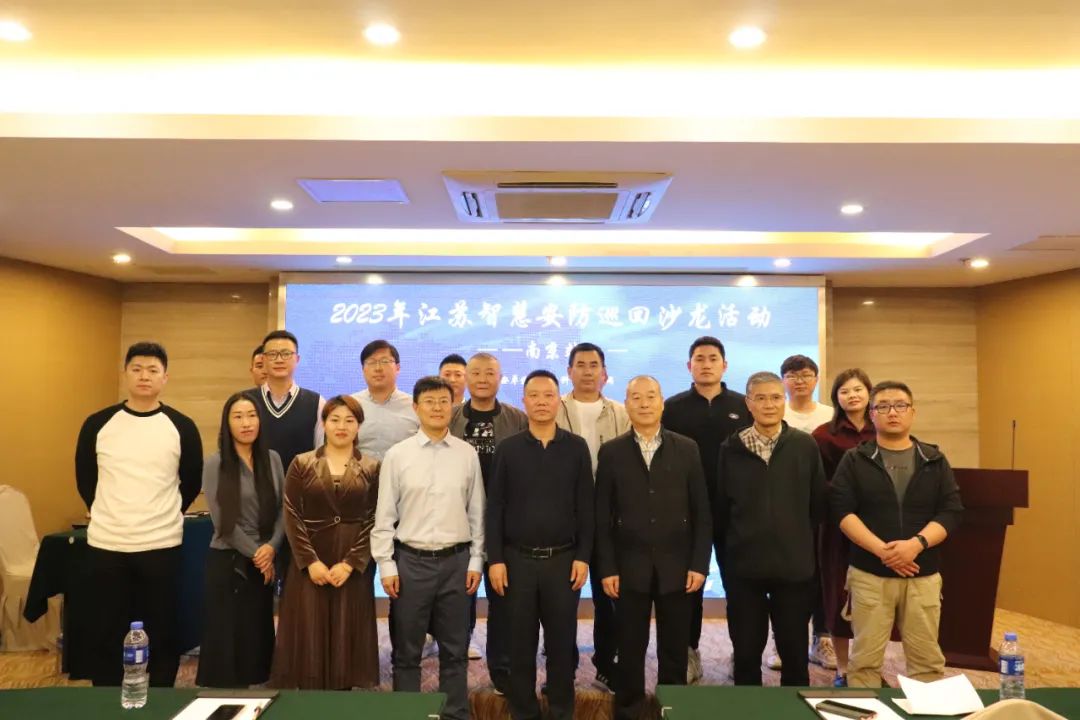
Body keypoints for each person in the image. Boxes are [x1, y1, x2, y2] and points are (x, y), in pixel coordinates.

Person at [75, 341, 203, 687]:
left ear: (165, 378)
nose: (144, 376)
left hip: (160, 543)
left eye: (152, 370)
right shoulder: (98, 423)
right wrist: (109, 512)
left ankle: (160, 693)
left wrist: (165, 513)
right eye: (137, 369)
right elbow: (86, 479)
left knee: (162, 626)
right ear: (125, 374)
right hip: (107, 543)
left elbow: (191, 480)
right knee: (106, 625)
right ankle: (106, 693)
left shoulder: (181, 426)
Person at [831, 381, 964, 688]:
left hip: (922, 573)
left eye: (900, 405)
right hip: (870, 574)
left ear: (912, 412)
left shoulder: (933, 459)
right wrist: (883, 551)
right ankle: (867, 710)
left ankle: (928, 710)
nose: (892, 412)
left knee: (927, 662)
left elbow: (951, 511)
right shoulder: (855, 459)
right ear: (871, 414)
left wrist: (916, 545)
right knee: (864, 662)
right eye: (883, 406)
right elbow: (841, 511)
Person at [595, 376, 711, 720]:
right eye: (636, 397)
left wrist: (699, 564)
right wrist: (607, 567)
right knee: (630, 647)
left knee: (674, 649)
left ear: (662, 402)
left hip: (678, 566)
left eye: (650, 397)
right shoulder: (611, 452)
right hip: (628, 566)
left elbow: (702, 512)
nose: (644, 404)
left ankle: (670, 711)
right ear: (626, 404)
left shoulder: (687, 448)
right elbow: (602, 516)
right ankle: (629, 711)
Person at [372, 377, 485, 720]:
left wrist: (476, 560)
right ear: (416, 407)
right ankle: (407, 714)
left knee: (455, 651)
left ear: (452, 406)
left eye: (443, 401)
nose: (437, 408)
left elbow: (477, 513)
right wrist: (386, 565)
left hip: (457, 563)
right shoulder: (398, 455)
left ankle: (454, 714)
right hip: (411, 563)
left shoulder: (466, 454)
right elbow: (384, 516)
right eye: (430, 401)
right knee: (407, 652)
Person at [488, 370, 593, 720]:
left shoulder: (576, 447)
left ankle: (561, 710)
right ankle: (524, 712)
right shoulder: (508, 449)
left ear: (558, 400)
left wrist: (583, 556)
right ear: (524, 401)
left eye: (548, 395)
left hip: (563, 560)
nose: (542, 402)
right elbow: (495, 507)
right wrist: (496, 559)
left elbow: (586, 506)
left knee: (561, 643)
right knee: (520, 643)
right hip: (516, 561)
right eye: (534, 395)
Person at [714, 371, 826, 687]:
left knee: (794, 653)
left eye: (776, 397)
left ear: (784, 401)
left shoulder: (804, 445)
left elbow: (817, 503)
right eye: (760, 398)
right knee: (746, 652)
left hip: (793, 566)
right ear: (748, 403)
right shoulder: (730, 448)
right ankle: (749, 708)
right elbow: (722, 507)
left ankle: (792, 707)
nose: (769, 405)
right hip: (744, 567)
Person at [270, 395, 381, 690]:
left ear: (359, 426)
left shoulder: (372, 467)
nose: (342, 426)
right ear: (324, 423)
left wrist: (351, 563)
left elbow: (374, 518)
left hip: (351, 561)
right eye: (335, 420)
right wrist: (310, 562)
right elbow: (291, 514)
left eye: (349, 420)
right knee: (309, 631)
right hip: (311, 559)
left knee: (348, 629)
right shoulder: (302, 463)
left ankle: (343, 694)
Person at [660, 336, 749, 681]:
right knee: (688, 587)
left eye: (713, 358)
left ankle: (742, 653)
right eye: (699, 358)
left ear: (724, 365)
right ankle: (689, 651)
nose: (706, 364)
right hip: (686, 511)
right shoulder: (673, 407)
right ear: (689, 366)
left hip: (734, 510)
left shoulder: (743, 405)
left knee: (739, 586)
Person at [448, 352, 528, 684]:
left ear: (500, 378)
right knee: (458, 597)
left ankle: (502, 671)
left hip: (504, 521)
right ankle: (454, 669)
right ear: (466, 377)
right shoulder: (451, 416)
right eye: (476, 373)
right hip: (457, 519)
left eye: (489, 373)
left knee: (503, 597)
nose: (482, 379)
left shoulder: (517, 418)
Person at [197, 391, 284, 688]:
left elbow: (283, 511)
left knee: (255, 637)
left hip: (264, 561)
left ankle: (254, 697)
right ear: (227, 423)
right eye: (238, 417)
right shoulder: (216, 463)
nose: (246, 423)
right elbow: (223, 521)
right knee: (228, 639)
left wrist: (271, 548)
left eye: (252, 416)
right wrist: (258, 554)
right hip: (229, 561)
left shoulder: (272, 459)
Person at [554, 342, 628, 691]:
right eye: (580, 364)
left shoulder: (620, 413)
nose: (587, 371)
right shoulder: (553, 408)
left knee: (608, 594)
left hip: (609, 516)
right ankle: (562, 667)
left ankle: (606, 663)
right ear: (569, 371)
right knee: (560, 598)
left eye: (593, 364)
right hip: (562, 515)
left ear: (605, 373)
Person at [811, 369, 877, 687]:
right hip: (837, 527)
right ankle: (842, 668)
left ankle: (868, 667)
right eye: (845, 391)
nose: (852, 396)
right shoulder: (824, 435)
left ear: (869, 393)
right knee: (838, 595)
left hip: (879, 527)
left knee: (874, 598)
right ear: (836, 397)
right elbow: (818, 483)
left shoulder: (883, 430)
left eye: (858, 389)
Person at [779, 354, 836, 672]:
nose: (799, 380)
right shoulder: (777, 411)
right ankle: (784, 642)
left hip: (823, 508)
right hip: (784, 507)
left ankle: (822, 638)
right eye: (792, 375)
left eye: (805, 375)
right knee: (786, 578)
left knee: (821, 575)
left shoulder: (830, 415)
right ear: (783, 381)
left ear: (816, 379)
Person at [351, 339, 420, 461]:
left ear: (397, 368)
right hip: (358, 472)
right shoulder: (351, 405)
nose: (378, 368)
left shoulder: (416, 406)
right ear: (363, 369)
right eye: (371, 362)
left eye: (384, 361)